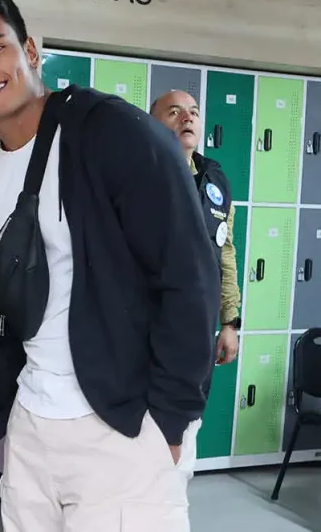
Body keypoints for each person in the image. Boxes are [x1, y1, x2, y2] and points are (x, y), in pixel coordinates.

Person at [0, 0, 219, 532]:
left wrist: (170, 422)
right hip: (32, 422)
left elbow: (189, 282)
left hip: (123, 425)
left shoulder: (113, 134)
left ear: (30, 51)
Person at [150, 89, 242, 480]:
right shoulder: (139, 172)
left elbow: (226, 250)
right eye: (173, 112)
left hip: (197, 330)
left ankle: (171, 496)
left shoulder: (214, 179)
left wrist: (230, 322)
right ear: (152, 124)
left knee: (186, 428)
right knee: (145, 431)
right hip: (146, 328)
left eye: (193, 112)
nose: (186, 118)